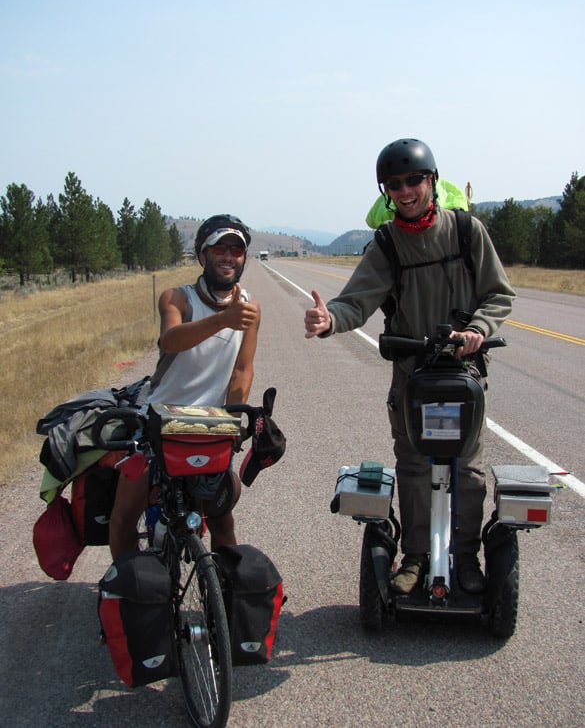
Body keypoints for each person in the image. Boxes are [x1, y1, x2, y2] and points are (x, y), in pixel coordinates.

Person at [304, 138, 515, 595]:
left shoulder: (466, 231)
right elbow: (356, 302)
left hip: (463, 373)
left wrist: (478, 328)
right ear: (386, 191)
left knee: (467, 469)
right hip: (412, 375)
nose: (405, 191)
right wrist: (328, 320)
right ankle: (417, 556)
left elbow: (499, 293)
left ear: (432, 181)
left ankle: (465, 558)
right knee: (415, 465)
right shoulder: (386, 244)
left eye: (413, 180)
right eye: (394, 184)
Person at [109, 213, 261, 558]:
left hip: (209, 424)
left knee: (222, 520)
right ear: (202, 255)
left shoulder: (250, 308)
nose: (228, 256)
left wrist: (234, 421)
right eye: (219, 248)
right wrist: (223, 319)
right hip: (159, 419)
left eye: (236, 250)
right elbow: (170, 340)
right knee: (123, 518)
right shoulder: (177, 298)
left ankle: (222, 585)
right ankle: (128, 582)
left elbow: (242, 369)